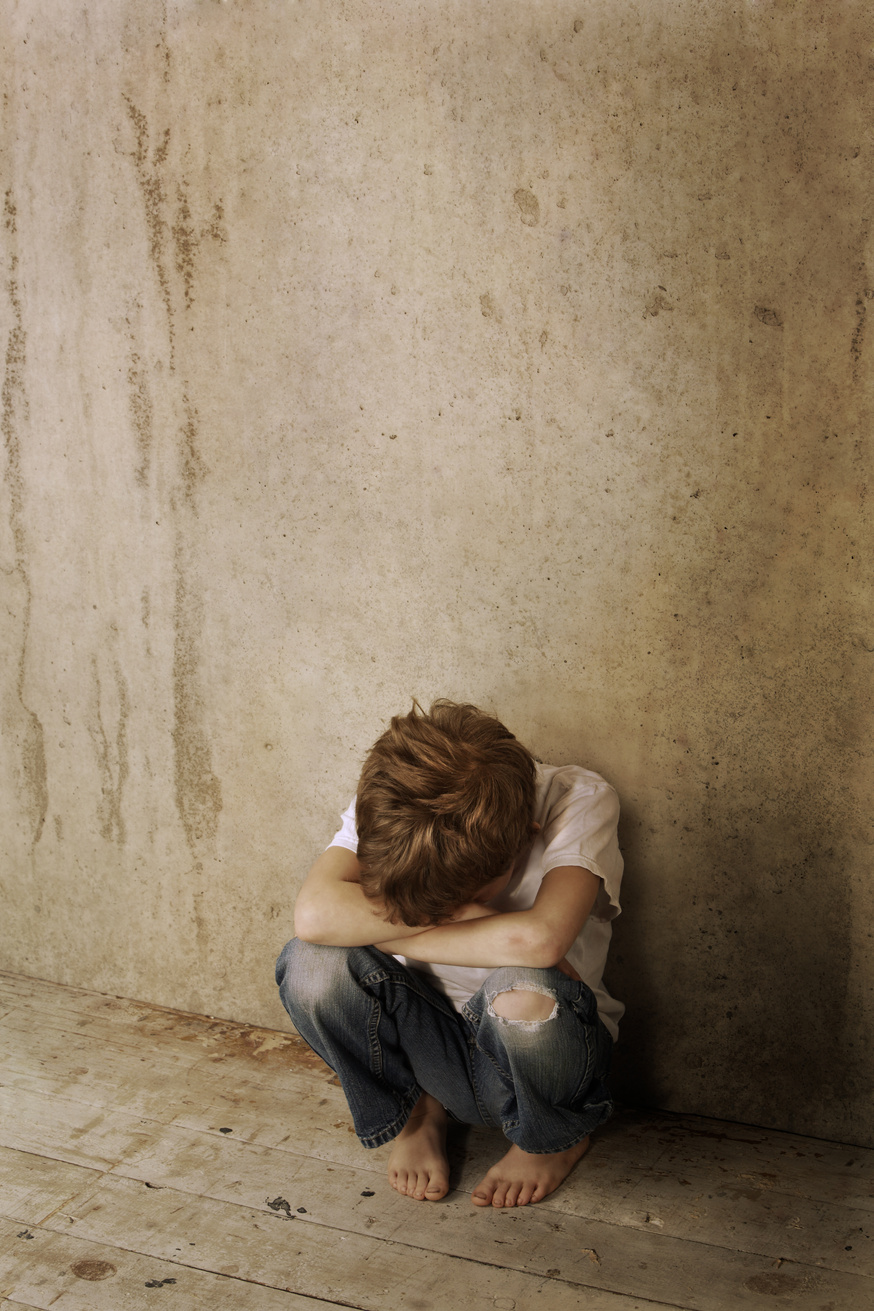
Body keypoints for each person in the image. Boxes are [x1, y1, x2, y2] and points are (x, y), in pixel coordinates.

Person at [275, 699, 623, 1209]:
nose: (441, 909)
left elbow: (541, 941)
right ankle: (416, 1115)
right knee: (310, 963)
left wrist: (387, 924)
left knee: (526, 995)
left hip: (538, 1060)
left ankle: (552, 1135)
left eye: (462, 896)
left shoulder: (580, 799)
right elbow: (314, 917)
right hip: (427, 1052)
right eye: (430, 904)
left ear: (521, 841)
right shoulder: (398, 796)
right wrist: (473, 915)